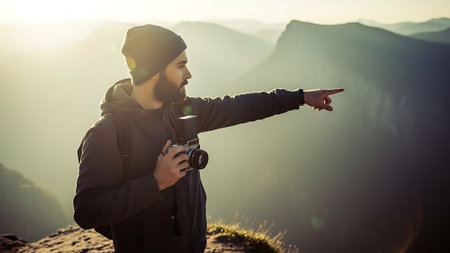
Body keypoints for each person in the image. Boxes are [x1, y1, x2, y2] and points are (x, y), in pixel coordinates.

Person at [73, 24, 344, 253]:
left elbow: (239, 107)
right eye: (181, 66)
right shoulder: (107, 133)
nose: (189, 74)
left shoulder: (182, 111)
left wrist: (299, 97)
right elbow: (86, 211)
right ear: (154, 71)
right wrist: (155, 183)